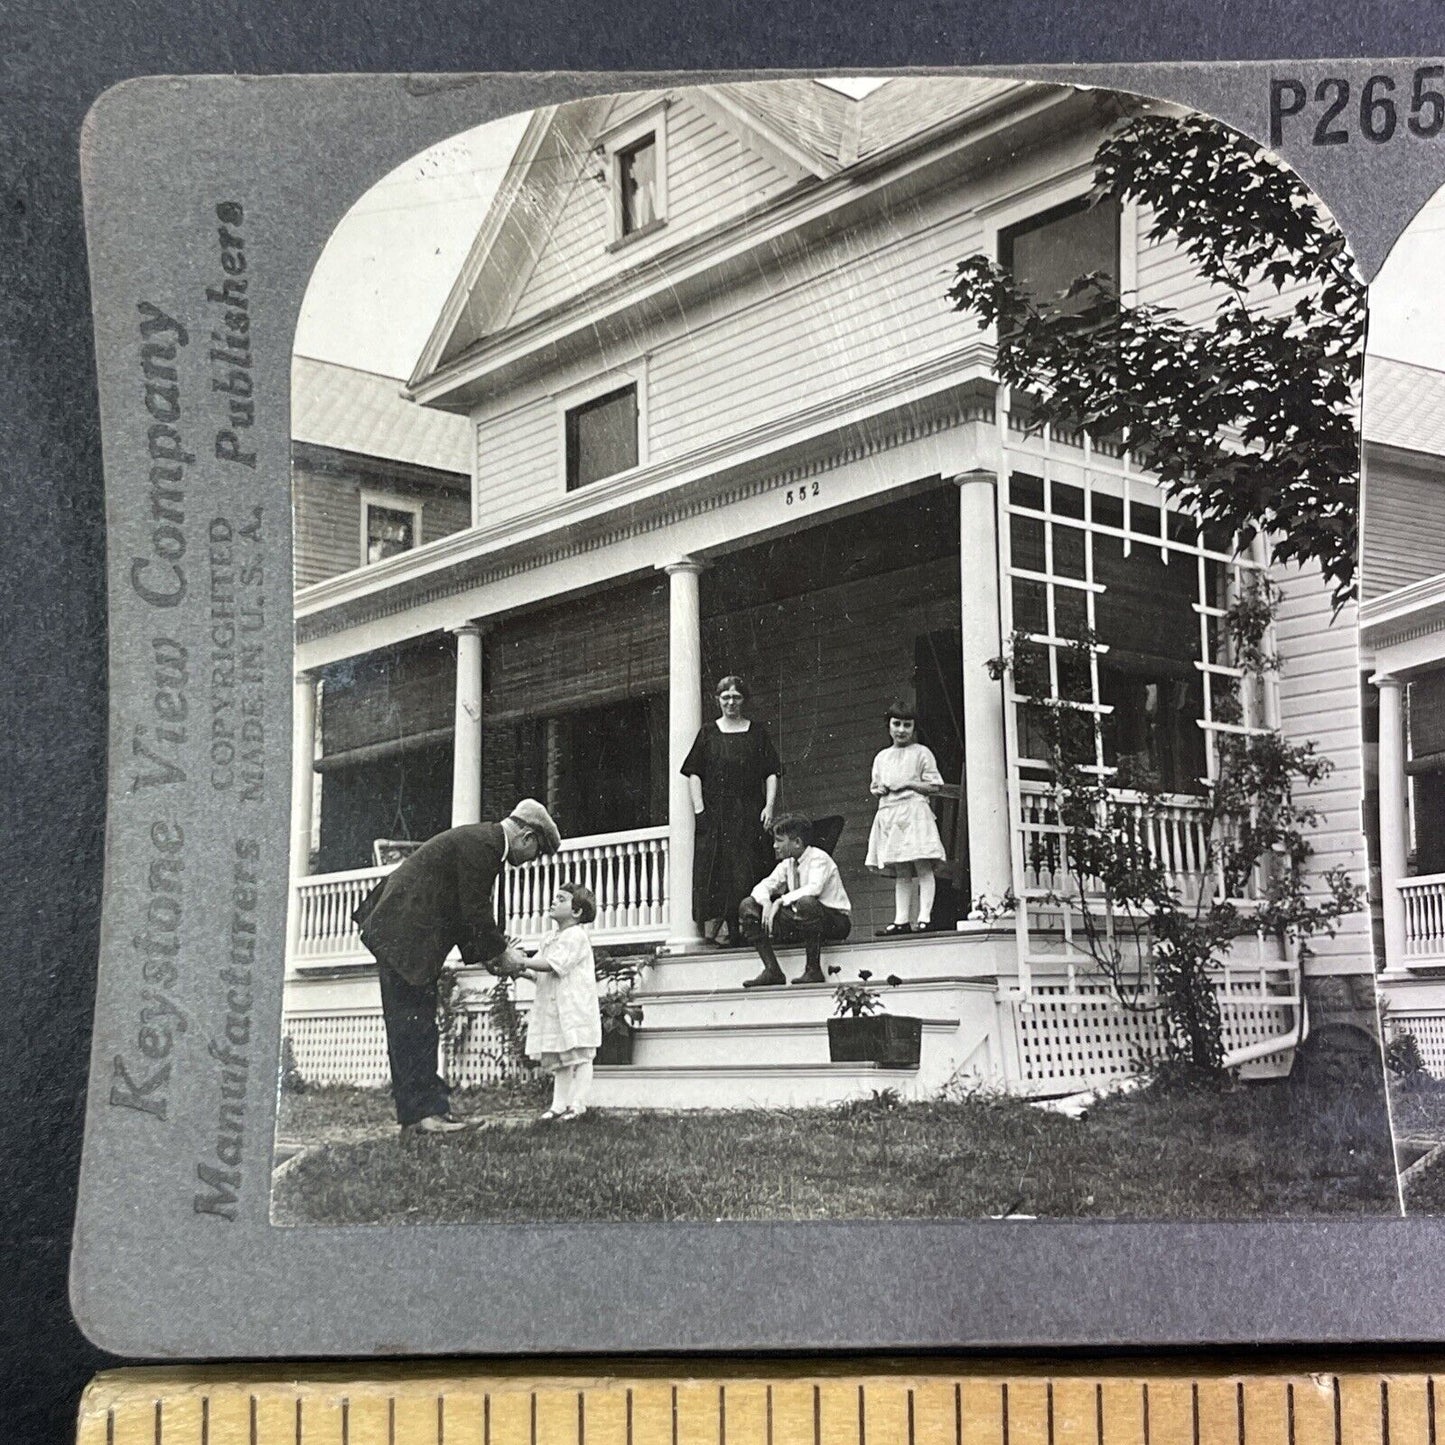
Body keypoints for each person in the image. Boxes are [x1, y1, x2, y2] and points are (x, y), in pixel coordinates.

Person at [352, 799, 562, 1133]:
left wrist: (494, 954)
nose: (530, 861)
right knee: (412, 1027)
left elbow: (468, 915)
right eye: (537, 851)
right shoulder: (486, 846)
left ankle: (428, 1113)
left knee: (420, 1026)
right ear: (527, 835)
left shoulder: (484, 842)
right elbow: (474, 911)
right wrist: (500, 955)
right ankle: (422, 1118)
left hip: (405, 937)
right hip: (402, 936)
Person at [681, 675, 783, 946]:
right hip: (717, 813)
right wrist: (700, 809)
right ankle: (731, 930)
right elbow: (694, 773)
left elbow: (772, 771)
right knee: (722, 870)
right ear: (718, 700)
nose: (730, 702)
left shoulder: (756, 732)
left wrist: (769, 806)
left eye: (736, 697)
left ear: (744, 700)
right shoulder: (708, 732)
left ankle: (752, 927)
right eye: (725, 697)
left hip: (750, 810)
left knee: (749, 867)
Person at [738, 813, 852, 987]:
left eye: (779, 840)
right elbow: (762, 887)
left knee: (806, 902)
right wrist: (766, 902)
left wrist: (780, 900)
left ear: (797, 842)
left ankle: (813, 969)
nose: (775, 846)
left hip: (835, 922)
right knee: (748, 905)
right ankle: (772, 970)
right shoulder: (788, 863)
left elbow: (814, 888)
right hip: (804, 922)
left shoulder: (819, 858)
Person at [518, 882, 601, 1121]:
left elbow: (555, 964)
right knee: (560, 1057)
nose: (553, 902)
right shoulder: (549, 938)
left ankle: (578, 1104)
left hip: (574, 1006)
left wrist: (521, 961)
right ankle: (558, 1105)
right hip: (555, 1007)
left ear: (576, 912)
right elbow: (539, 971)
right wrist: (518, 968)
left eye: (561, 899)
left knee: (581, 1055)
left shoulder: (576, 936)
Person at [866, 703, 947, 933]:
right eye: (897, 724)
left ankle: (924, 918)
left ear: (913, 727)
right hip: (891, 814)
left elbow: (934, 786)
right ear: (889, 726)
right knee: (902, 868)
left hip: (914, 813)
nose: (901, 730)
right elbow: (875, 785)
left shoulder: (921, 753)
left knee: (921, 864)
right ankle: (902, 920)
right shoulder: (882, 757)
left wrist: (909, 783)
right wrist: (878, 789)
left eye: (907, 725)